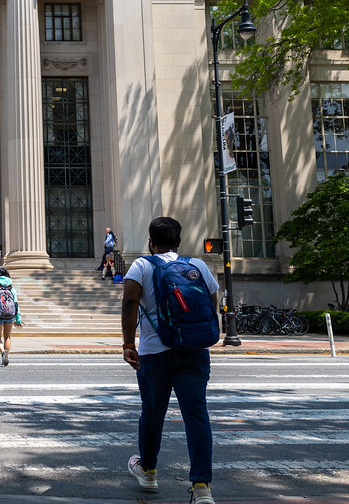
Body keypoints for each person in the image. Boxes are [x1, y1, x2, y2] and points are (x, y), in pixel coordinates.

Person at [121, 216, 218, 504]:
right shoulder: (197, 265)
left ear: (151, 241)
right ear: (179, 241)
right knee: (197, 416)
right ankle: (201, 486)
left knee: (152, 413)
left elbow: (129, 303)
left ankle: (148, 470)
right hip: (194, 351)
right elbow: (210, 305)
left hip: (155, 352)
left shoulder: (142, 265)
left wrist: (128, 344)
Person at [0, 266, 23, 366]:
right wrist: (18, 319)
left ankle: (3, 352)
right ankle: (7, 355)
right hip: (10, 315)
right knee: (7, 337)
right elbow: (15, 303)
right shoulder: (11, 287)